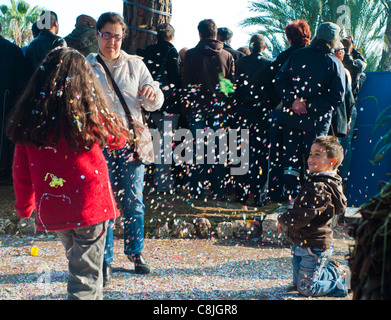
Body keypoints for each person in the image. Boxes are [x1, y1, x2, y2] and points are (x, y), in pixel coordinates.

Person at [6, 47, 130, 300]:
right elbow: (119, 138)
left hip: (54, 208)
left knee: (82, 268)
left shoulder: (30, 123)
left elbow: (20, 170)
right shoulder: (90, 114)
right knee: (84, 278)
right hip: (90, 207)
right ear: (84, 81)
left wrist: (24, 206)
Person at [86, 12, 164, 280]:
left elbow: (155, 98)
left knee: (134, 201)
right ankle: (104, 258)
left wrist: (153, 95)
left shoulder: (136, 65)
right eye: (107, 35)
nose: (112, 41)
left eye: (117, 36)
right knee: (103, 204)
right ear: (97, 35)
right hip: (99, 145)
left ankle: (136, 251)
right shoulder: (87, 67)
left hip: (131, 144)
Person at [274, 22, 345, 202]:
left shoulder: (297, 55)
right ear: (333, 41)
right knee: (315, 161)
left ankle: (290, 198)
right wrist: (308, 105)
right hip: (316, 123)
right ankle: (311, 200)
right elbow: (336, 97)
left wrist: (294, 102)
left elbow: (280, 80)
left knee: (291, 160)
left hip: (292, 119)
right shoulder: (334, 63)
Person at [277, 136, 350, 297]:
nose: (311, 158)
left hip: (313, 245)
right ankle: (333, 269)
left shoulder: (320, 186)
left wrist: (282, 218)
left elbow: (303, 215)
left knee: (306, 289)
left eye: (317, 154)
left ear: (332, 161)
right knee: (298, 283)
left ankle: (344, 283)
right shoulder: (317, 180)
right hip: (302, 242)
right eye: (310, 153)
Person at [182, 19, 235, 200]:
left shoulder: (191, 55)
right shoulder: (227, 56)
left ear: (200, 34)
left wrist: (188, 106)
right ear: (215, 34)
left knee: (197, 149)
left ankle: (197, 188)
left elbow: (187, 85)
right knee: (218, 149)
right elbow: (229, 88)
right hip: (218, 109)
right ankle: (218, 188)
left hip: (197, 107)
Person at [268, 20, 312, 202]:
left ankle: (289, 191)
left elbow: (275, 83)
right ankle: (309, 192)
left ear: (289, 38)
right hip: (312, 113)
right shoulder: (315, 56)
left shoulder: (283, 57)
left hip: (287, 113)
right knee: (310, 153)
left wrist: (290, 101)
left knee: (289, 153)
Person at [232, 34, 278, 206]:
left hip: (242, 112)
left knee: (240, 152)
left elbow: (230, 87)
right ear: (263, 48)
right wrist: (268, 106)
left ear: (250, 47)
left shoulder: (239, 64)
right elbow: (275, 90)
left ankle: (240, 194)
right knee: (261, 155)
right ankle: (260, 195)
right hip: (261, 113)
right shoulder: (269, 65)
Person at [137, 23, 182, 193]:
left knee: (150, 142)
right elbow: (175, 78)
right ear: (171, 36)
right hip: (168, 104)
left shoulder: (146, 51)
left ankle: (146, 178)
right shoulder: (171, 51)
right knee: (165, 144)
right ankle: (162, 183)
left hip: (149, 102)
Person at [0, 21, 28, 185]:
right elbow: (22, 82)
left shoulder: (12, 50)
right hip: (8, 104)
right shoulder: (13, 50)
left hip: (7, 104)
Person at [25, 11, 67, 75]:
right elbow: (62, 68)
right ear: (55, 23)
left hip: (33, 84)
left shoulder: (31, 45)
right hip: (52, 83)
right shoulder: (59, 41)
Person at [330, 41, 355, 138]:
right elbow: (349, 98)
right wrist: (348, 120)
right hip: (338, 120)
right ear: (340, 52)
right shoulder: (343, 71)